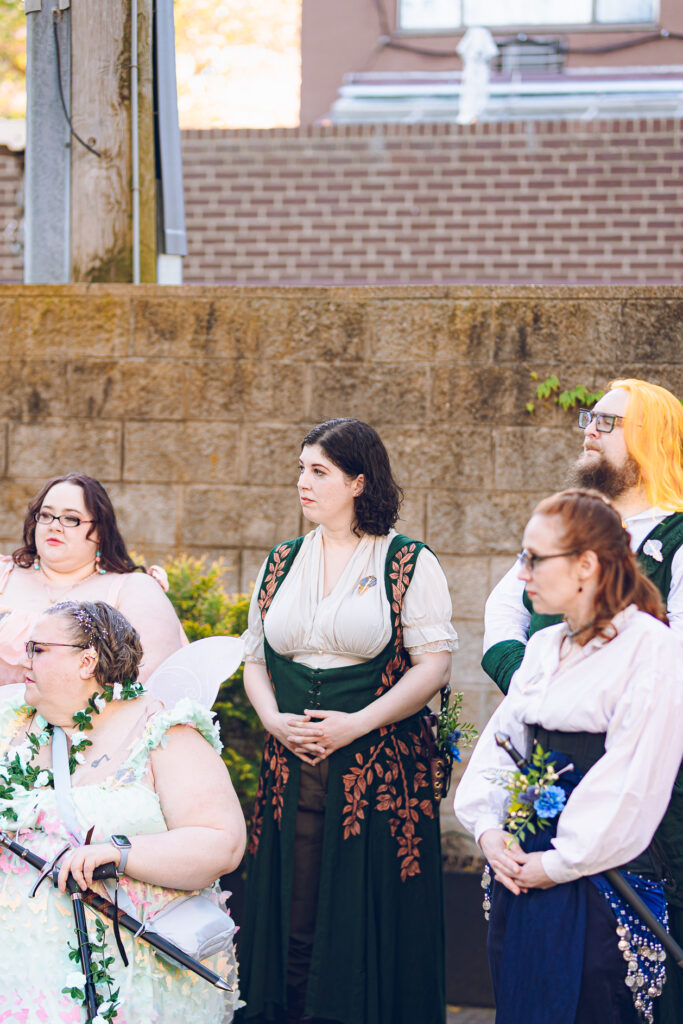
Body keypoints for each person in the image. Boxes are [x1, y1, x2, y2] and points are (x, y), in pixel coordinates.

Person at [238, 418, 458, 1024]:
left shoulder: (407, 561)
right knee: (295, 901)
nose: (302, 483)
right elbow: (254, 658)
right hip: (290, 763)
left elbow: (432, 666)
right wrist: (273, 720)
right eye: (301, 469)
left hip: (379, 773)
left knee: (366, 908)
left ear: (359, 482)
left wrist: (355, 724)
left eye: (319, 472)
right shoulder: (281, 561)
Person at [481, 378, 683, 1022]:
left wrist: (565, 857)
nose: (589, 429)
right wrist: (492, 830)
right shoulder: (546, 648)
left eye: (607, 420)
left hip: (633, 818)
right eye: (588, 418)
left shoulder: (657, 606)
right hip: (533, 842)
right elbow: (501, 620)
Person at [0, 599, 246, 1023]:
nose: (25, 659)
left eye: (38, 649)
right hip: (16, 975)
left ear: (87, 661)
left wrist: (118, 853)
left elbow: (221, 842)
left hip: (127, 976)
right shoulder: (9, 719)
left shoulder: (163, 733)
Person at [0, 472, 187, 686]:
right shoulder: (3, 573)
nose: (54, 526)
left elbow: (154, 676)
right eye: (46, 515)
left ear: (99, 531)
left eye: (71, 519)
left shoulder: (134, 588)